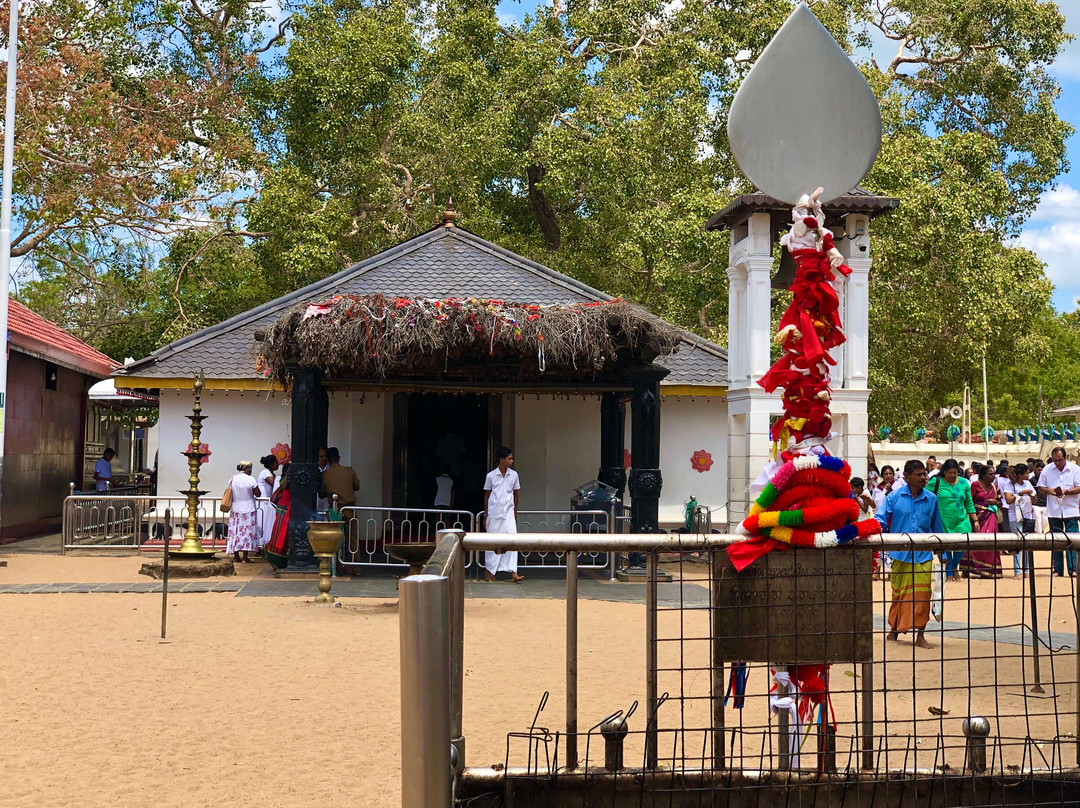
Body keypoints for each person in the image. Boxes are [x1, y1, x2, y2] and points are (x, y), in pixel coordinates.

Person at [875, 459, 944, 649]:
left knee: (922, 596)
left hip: (923, 555)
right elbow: (880, 519)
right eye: (919, 475)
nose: (923, 478)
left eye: (924, 474)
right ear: (906, 477)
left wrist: (942, 551)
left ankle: (920, 635)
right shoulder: (893, 498)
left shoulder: (931, 499)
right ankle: (895, 629)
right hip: (899, 554)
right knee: (898, 595)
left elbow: (937, 527)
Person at [928, 459, 976, 581]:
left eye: (955, 472)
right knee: (944, 547)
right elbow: (926, 497)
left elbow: (969, 502)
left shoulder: (964, 483)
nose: (952, 475)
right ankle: (949, 573)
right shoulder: (935, 481)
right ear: (944, 471)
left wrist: (975, 520)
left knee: (963, 544)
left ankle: (954, 566)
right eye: (950, 472)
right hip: (941, 520)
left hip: (961, 520)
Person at [1037, 447, 1080, 577]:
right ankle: (1057, 569)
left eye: (1059, 460)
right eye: (1055, 460)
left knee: (1071, 539)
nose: (1057, 463)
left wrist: (1066, 492)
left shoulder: (1075, 469)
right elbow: (1040, 487)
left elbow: (1079, 487)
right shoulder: (1047, 469)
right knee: (1055, 540)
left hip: (1070, 509)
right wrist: (1049, 491)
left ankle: (1073, 569)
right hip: (1054, 510)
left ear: (1065, 458)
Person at [483, 447, 523, 583]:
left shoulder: (514, 475)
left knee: (513, 541)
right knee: (493, 543)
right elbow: (487, 495)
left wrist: (515, 513)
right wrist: (486, 514)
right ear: (502, 459)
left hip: (509, 514)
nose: (511, 461)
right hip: (494, 514)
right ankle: (488, 572)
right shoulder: (491, 476)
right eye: (509, 458)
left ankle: (514, 572)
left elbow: (516, 494)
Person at [959, 464, 1004, 578]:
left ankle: (989, 570)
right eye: (990, 474)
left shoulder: (995, 486)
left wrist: (996, 503)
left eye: (994, 474)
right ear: (983, 475)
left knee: (990, 541)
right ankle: (968, 568)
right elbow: (969, 501)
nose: (993, 476)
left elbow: (1001, 502)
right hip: (977, 518)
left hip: (990, 517)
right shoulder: (975, 485)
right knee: (974, 542)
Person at [1002, 464, 1036, 579]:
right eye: (1026, 473)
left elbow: (1034, 497)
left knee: (1027, 543)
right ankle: (1017, 570)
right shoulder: (1010, 485)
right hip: (1014, 516)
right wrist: (1020, 494)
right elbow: (1008, 500)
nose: (1028, 475)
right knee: (1018, 543)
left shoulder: (1028, 483)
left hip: (1027, 515)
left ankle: (1026, 569)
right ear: (1019, 475)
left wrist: (1031, 496)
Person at [226, 461, 261, 564]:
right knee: (246, 532)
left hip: (235, 508)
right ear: (248, 469)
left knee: (235, 532)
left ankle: (236, 556)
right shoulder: (251, 479)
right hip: (248, 509)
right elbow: (258, 493)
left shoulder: (233, 479)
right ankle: (245, 557)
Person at [265, 463, 291, 569]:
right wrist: (288, 475)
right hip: (283, 509)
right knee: (279, 534)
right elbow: (284, 487)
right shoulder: (283, 479)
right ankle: (275, 557)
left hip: (289, 508)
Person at [257, 455, 280, 551]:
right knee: (263, 524)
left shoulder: (271, 474)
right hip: (264, 503)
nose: (278, 464)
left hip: (268, 503)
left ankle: (265, 545)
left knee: (267, 525)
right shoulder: (265, 473)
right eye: (275, 463)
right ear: (270, 464)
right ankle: (260, 546)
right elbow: (275, 484)